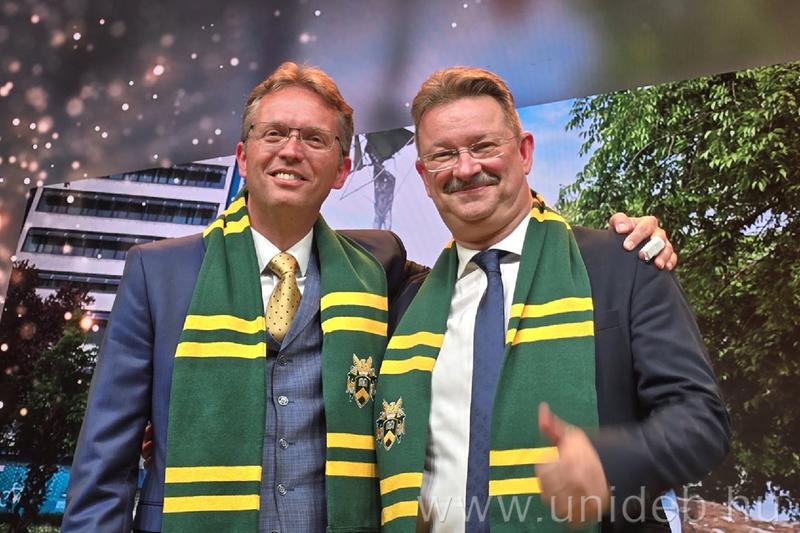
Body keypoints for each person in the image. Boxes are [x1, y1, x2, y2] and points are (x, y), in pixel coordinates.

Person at [63, 62, 674, 533]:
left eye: (315, 139)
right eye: (274, 134)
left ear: (341, 170)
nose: (291, 150)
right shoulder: (158, 273)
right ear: (244, 157)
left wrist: (626, 243)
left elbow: (491, 259)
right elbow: (105, 464)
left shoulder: (382, 269)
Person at [375, 67, 731, 533]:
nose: (465, 168)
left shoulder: (623, 264)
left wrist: (609, 462)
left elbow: (701, 421)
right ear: (424, 177)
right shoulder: (405, 304)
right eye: (443, 155)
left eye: (483, 146)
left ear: (524, 152)